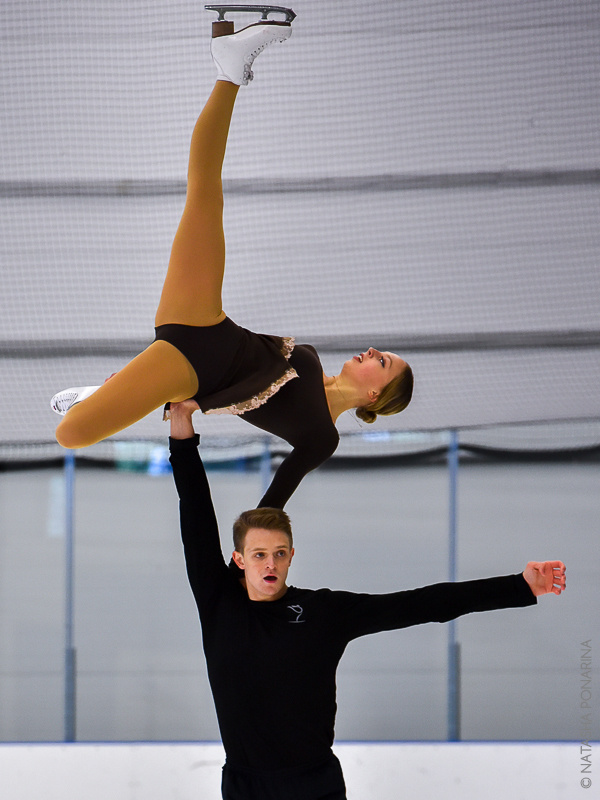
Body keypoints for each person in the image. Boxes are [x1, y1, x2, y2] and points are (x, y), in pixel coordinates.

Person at [50, 7, 413, 509]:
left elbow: (275, 497)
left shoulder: (321, 437)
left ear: (377, 396)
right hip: (204, 320)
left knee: (70, 435)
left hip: (186, 371)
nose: (373, 352)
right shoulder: (308, 356)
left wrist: (254, 553)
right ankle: (230, 69)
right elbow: (249, 370)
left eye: (383, 362)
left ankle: (109, 394)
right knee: (204, 191)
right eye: (380, 352)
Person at [167, 399, 566, 800]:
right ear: (238, 559)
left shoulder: (324, 612)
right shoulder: (219, 602)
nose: (270, 563)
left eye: (279, 553)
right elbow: (195, 511)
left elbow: (421, 604)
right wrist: (181, 421)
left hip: (314, 784)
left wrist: (519, 586)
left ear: (291, 556)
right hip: (244, 786)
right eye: (258, 555)